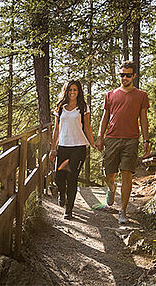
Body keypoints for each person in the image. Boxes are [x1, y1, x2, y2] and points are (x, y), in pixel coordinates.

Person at [96, 61, 150, 224]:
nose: (124, 77)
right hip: (111, 139)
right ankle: (111, 188)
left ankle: (123, 211)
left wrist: (146, 140)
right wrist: (100, 137)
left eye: (128, 74)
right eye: (122, 74)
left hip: (131, 140)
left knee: (127, 174)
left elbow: (144, 119)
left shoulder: (141, 95)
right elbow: (105, 117)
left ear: (134, 75)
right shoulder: (110, 95)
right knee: (108, 174)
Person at [50, 79, 95, 219]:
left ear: (79, 91)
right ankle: (61, 194)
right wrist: (53, 148)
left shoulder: (83, 107)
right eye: (70, 90)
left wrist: (93, 144)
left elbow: (87, 128)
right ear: (66, 91)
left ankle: (68, 210)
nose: (72, 92)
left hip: (79, 146)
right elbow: (56, 129)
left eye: (75, 90)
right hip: (63, 146)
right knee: (59, 177)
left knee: (72, 177)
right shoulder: (60, 107)